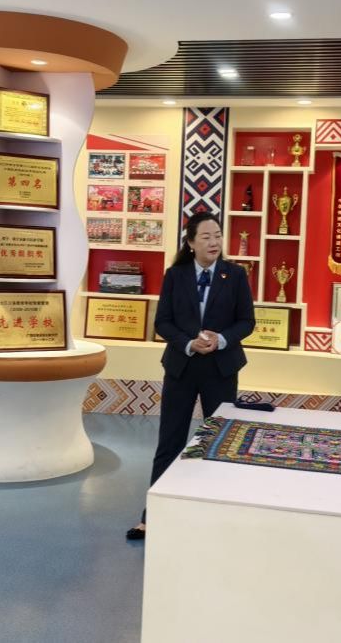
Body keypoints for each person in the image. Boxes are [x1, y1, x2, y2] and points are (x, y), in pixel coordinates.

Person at [127, 211, 254, 540]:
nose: (214, 242)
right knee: (170, 441)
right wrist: (187, 343)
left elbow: (246, 322)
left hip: (220, 369)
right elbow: (163, 322)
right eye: (206, 237)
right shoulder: (175, 275)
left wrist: (221, 339)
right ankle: (153, 516)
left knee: (218, 442)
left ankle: (215, 514)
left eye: (218, 236)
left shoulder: (235, 274)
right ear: (191, 243)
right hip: (181, 367)